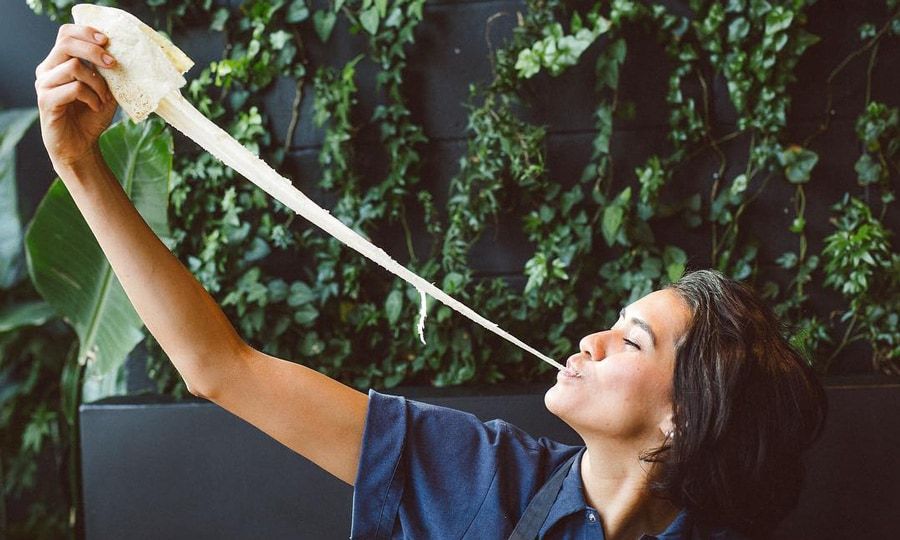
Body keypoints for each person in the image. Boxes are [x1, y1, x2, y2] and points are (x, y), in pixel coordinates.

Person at [34, 24, 826, 540]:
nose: (590, 339)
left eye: (631, 340)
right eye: (615, 322)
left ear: (680, 422)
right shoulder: (473, 470)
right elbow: (220, 368)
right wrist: (78, 165)